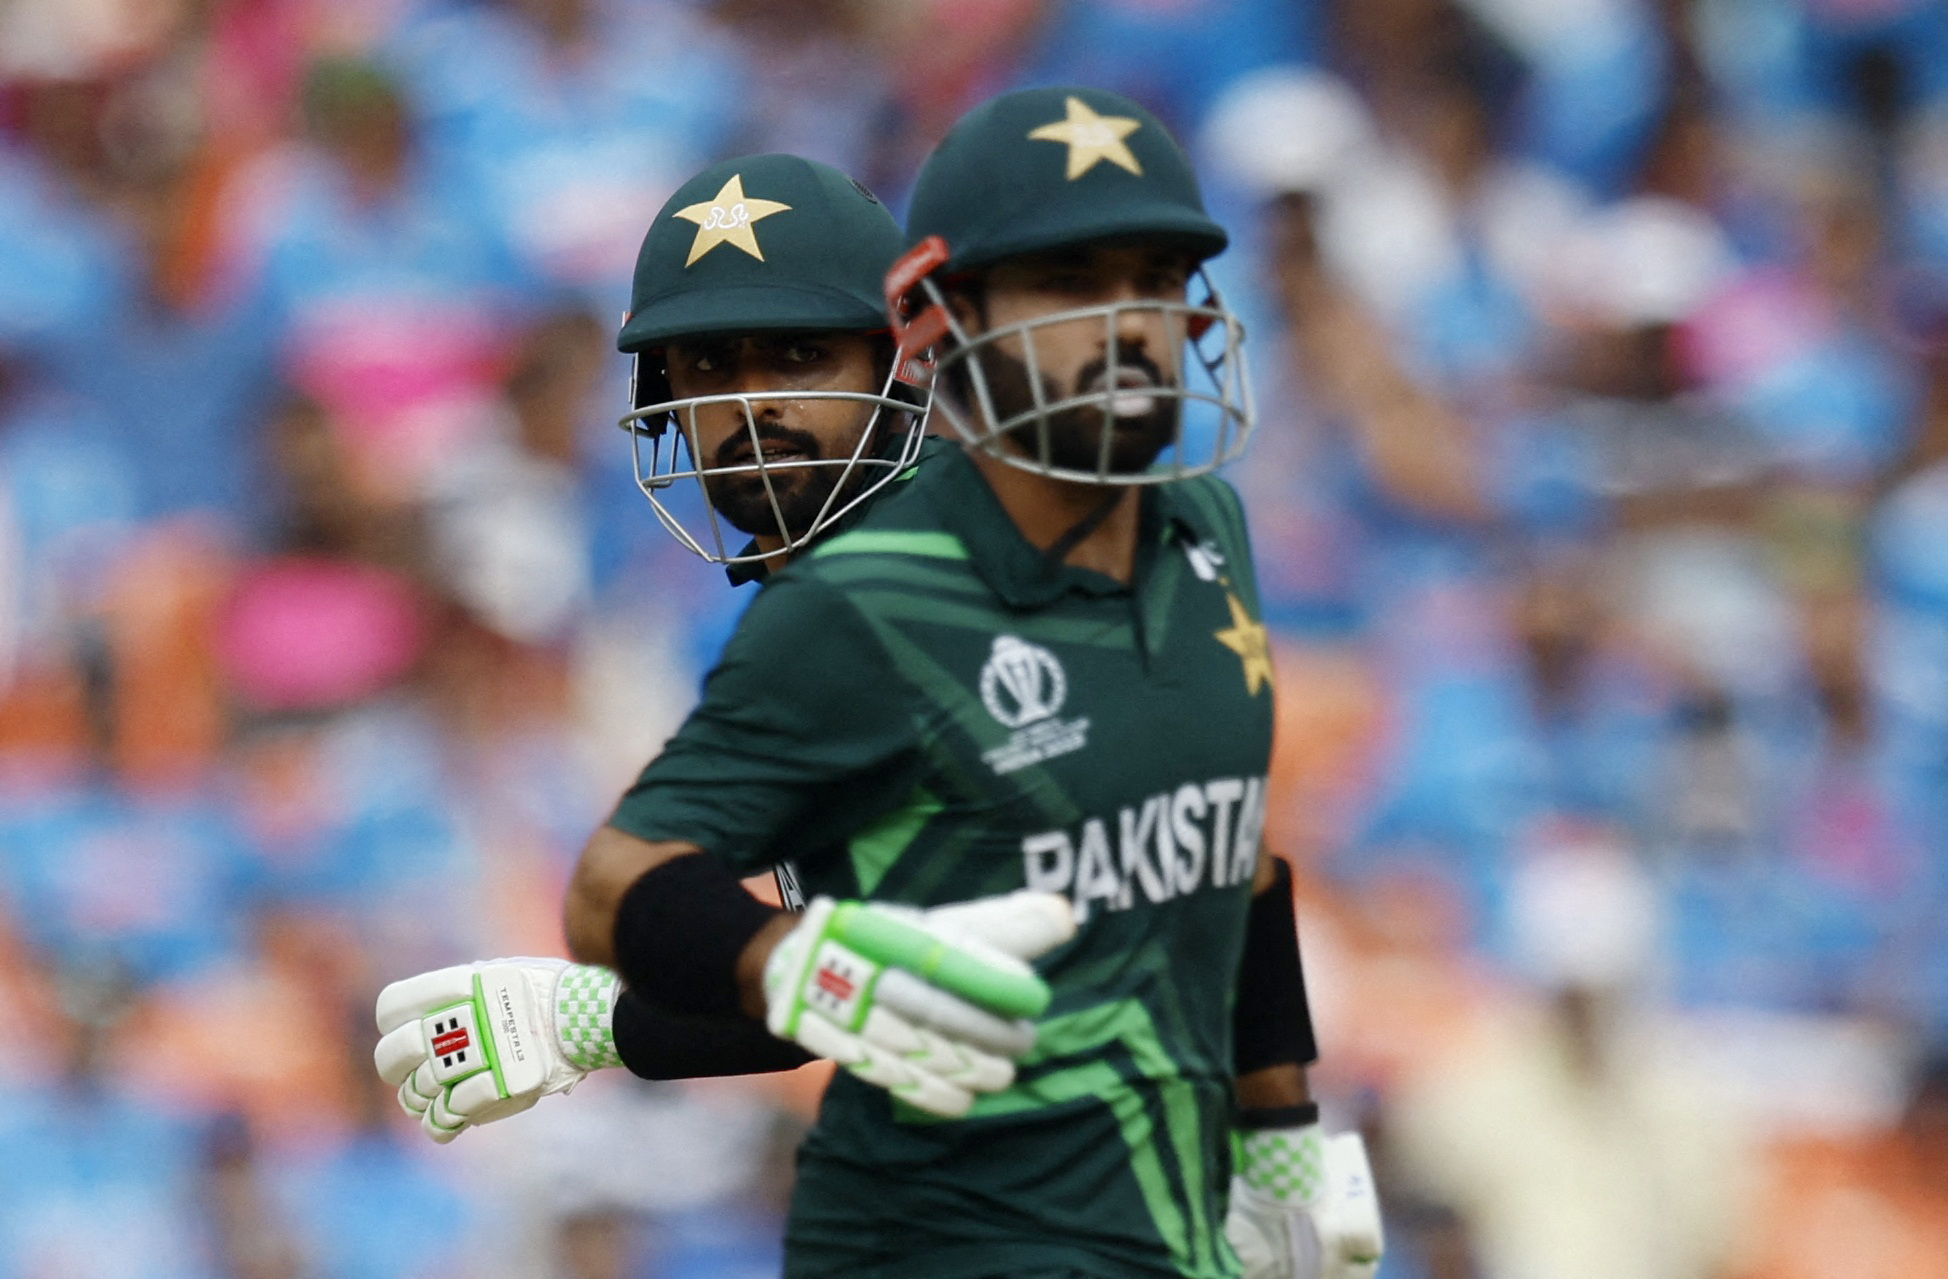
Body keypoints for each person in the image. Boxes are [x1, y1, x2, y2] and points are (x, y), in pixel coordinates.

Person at [378, 92, 1381, 1278]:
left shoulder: (919, 591)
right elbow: (875, 983)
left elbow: (1218, 855)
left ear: (901, 363)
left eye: (798, 355)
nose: (749, 410)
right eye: (707, 368)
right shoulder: (849, 598)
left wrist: (1276, 1129)